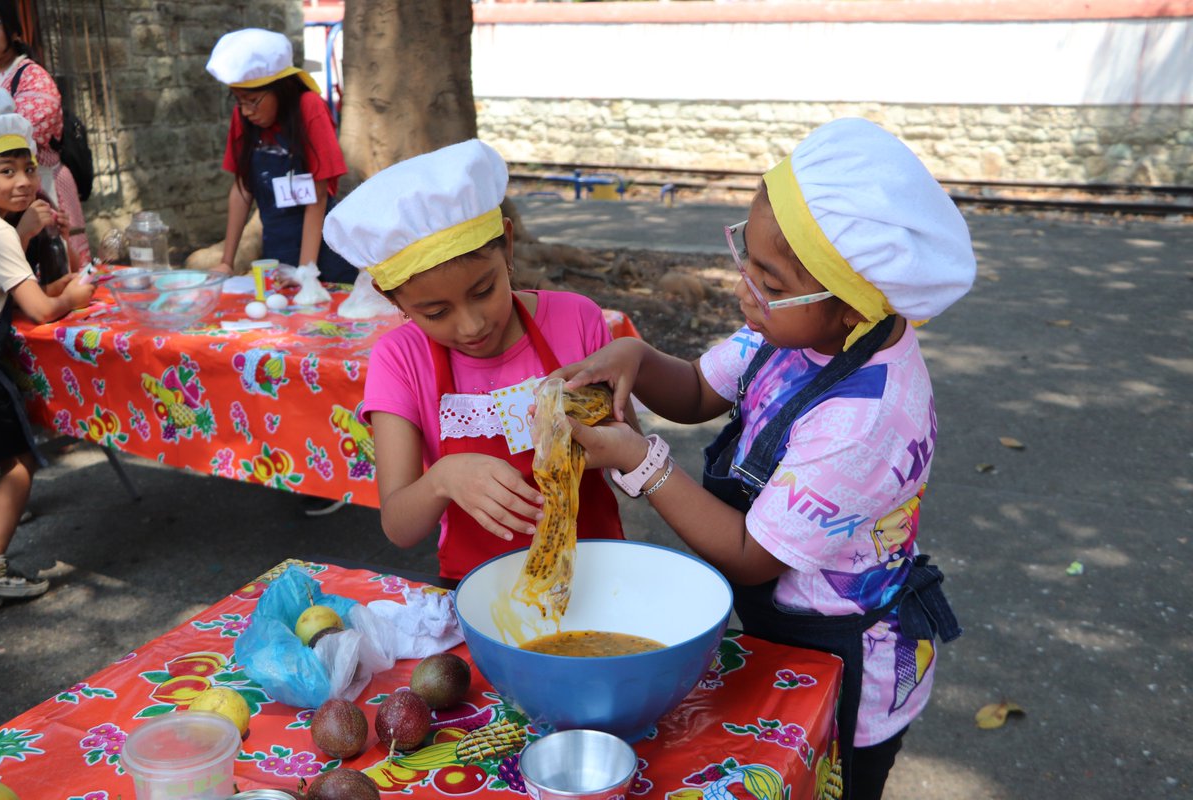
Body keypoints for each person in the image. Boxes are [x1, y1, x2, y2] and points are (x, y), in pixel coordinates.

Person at [555, 118, 975, 800]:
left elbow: (753, 555)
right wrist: (637, 357)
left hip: (846, 663)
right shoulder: (793, 330)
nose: (743, 288)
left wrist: (642, 460)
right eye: (745, 259)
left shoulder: (864, 420)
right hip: (783, 628)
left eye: (769, 281)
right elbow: (699, 389)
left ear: (852, 305)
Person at [322, 139, 625, 581]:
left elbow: (631, 461)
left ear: (508, 244)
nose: (471, 326)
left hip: (601, 576)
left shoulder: (577, 320)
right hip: (476, 589)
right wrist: (442, 479)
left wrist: (597, 440)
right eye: (436, 313)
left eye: (484, 291)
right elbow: (400, 527)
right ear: (391, 298)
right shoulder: (400, 360)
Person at [0, 103, 94, 609]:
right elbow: (41, 308)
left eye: (28, 168)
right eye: (5, 171)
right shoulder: (0, 232)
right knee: (19, 464)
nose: (22, 181)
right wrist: (71, 299)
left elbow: (23, 289)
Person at [205, 28, 357, 284]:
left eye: (252, 100)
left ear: (280, 88)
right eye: (239, 100)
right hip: (278, 247)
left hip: (323, 251)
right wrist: (226, 262)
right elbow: (242, 189)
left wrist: (305, 271)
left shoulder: (309, 107)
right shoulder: (243, 117)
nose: (246, 111)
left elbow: (318, 195)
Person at [0, 0, 88, 272]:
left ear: (13, 30)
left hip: (41, 190)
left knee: (55, 267)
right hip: (1, 200)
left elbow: (17, 140)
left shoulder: (33, 77)